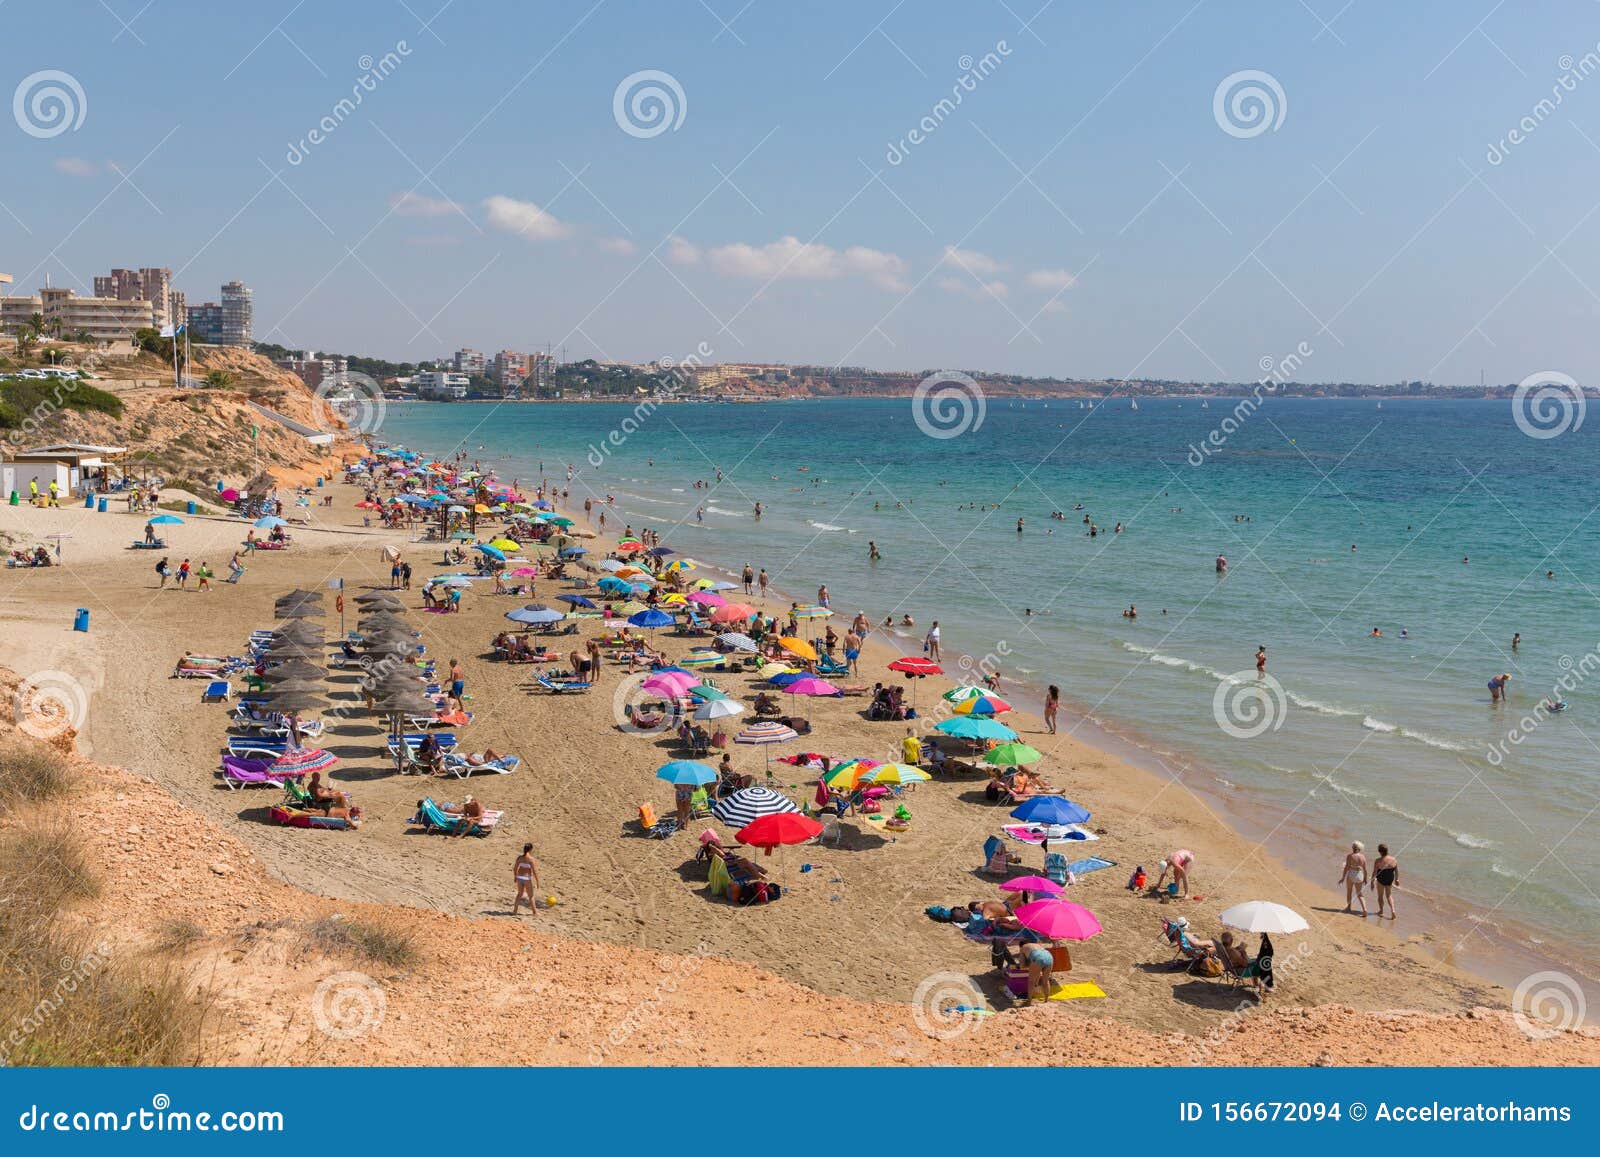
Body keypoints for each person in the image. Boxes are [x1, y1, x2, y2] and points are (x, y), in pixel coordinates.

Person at [1340, 841, 1368, 915]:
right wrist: (1365, 878)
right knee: (1360, 894)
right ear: (1360, 848)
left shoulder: (1350, 856)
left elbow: (1346, 867)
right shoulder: (1363, 857)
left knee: (1349, 891)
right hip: (1360, 875)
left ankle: (1349, 908)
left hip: (1352, 874)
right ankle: (1364, 909)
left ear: (1353, 847)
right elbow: (1365, 869)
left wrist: (1343, 878)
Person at [1371, 844, 1399, 919]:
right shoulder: (1394, 859)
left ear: (1379, 851)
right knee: (1389, 895)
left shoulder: (1378, 860)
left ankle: (1381, 911)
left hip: (1381, 878)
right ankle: (1393, 911)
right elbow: (1396, 870)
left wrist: (1372, 882)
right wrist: (1397, 879)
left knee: (1380, 895)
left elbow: (1374, 872)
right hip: (1390, 878)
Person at [512, 843, 540, 915]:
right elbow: (534, 871)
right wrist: (537, 881)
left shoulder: (520, 858)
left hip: (519, 877)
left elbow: (515, 868)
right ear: (531, 849)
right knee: (531, 895)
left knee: (519, 894)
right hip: (527, 878)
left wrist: (515, 877)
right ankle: (535, 912)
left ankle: (515, 911)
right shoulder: (531, 859)